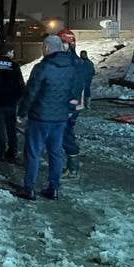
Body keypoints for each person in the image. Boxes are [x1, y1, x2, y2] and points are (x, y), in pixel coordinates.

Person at [18, 35, 79, 200]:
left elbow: (31, 92)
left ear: (46, 48)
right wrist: (70, 110)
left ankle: (29, 188)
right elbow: (74, 92)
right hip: (60, 119)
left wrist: (22, 112)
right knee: (56, 153)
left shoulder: (42, 67)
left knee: (33, 153)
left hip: (40, 117)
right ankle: (54, 188)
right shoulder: (70, 66)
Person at [55, 30, 94, 172]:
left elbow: (75, 86)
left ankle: (72, 168)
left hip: (68, 106)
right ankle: (69, 165)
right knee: (63, 132)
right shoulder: (74, 60)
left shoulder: (71, 62)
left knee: (65, 133)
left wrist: (70, 108)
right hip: (70, 105)